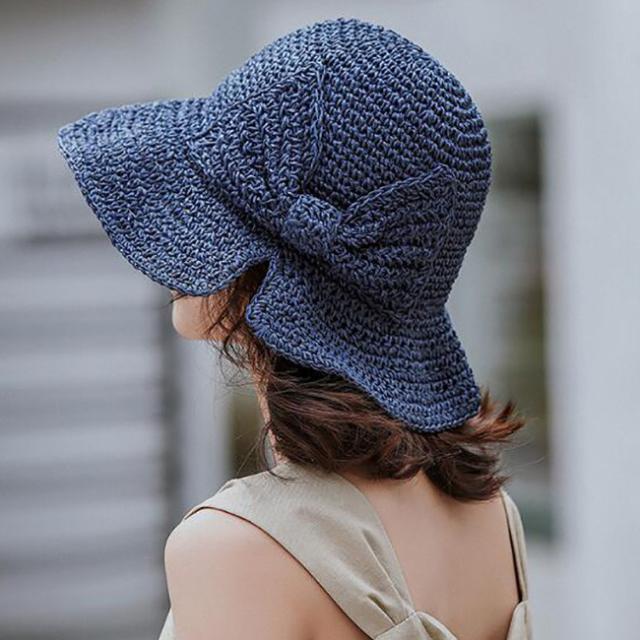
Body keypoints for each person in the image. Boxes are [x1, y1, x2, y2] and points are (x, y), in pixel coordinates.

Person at [58, 17, 533, 640]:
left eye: (207, 211)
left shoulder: (234, 550)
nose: (174, 247)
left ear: (275, 267)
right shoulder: (493, 516)